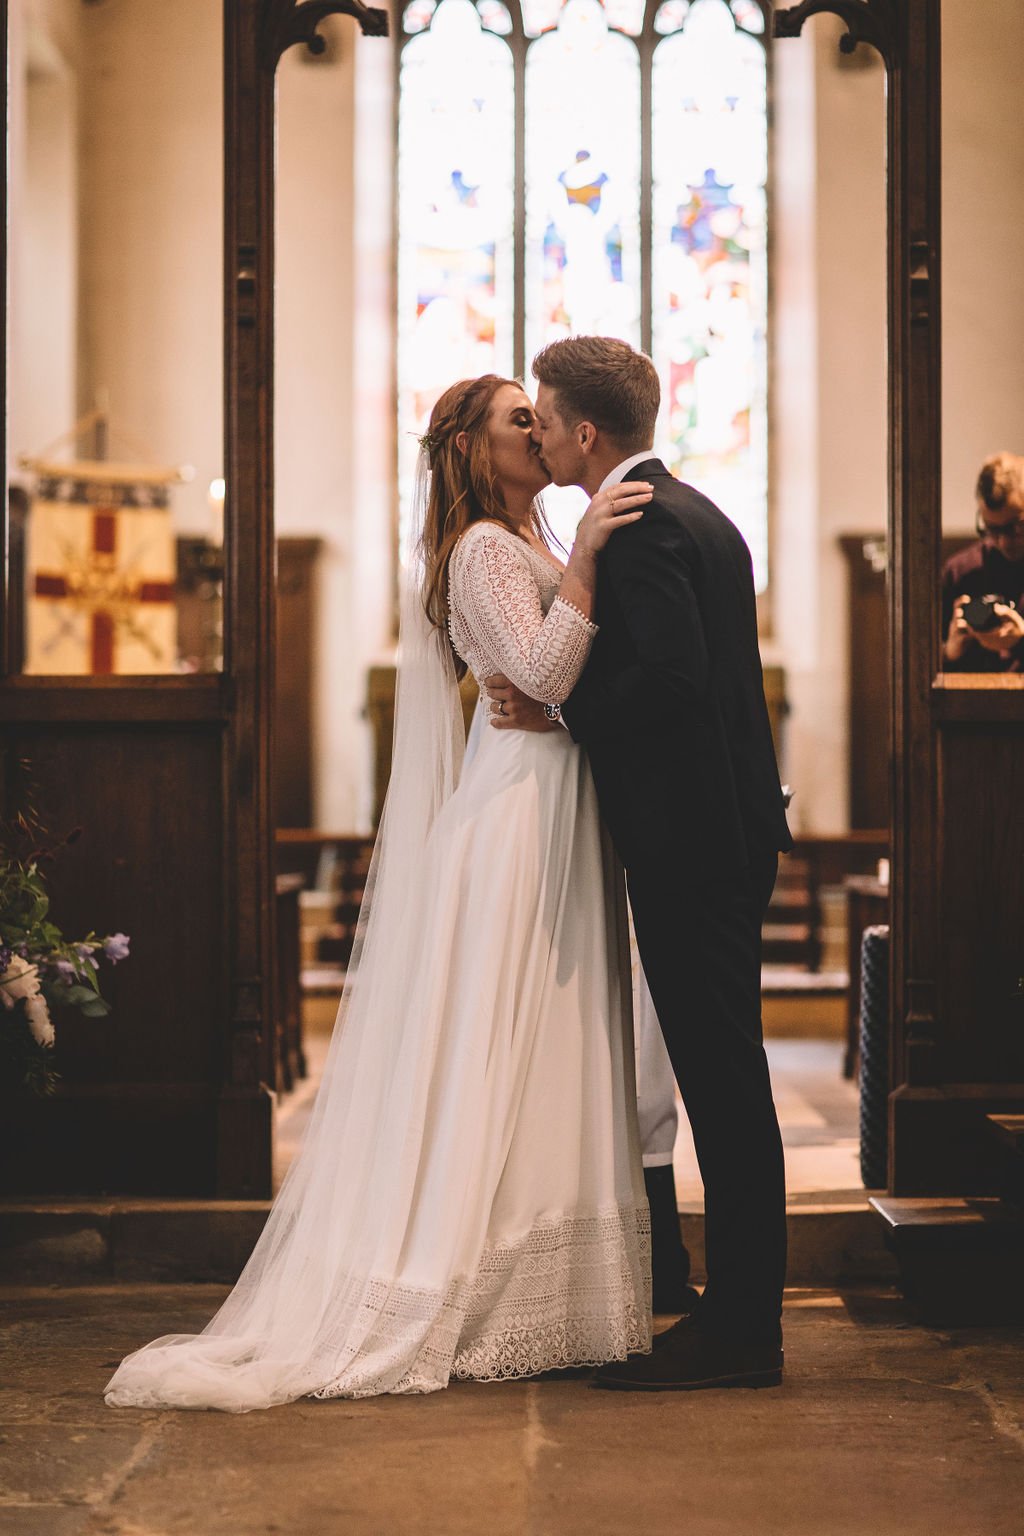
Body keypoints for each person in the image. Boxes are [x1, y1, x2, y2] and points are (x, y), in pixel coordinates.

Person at [104, 375, 655, 1412]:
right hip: (516, 818)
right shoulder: (484, 551)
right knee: (504, 1041)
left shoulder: (518, 538)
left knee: (550, 1040)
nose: (535, 432)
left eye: (536, 418)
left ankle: (554, 1285)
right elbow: (539, 675)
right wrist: (583, 563)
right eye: (514, 421)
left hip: (554, 798)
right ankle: (472, 1280)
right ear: (469, 451)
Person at [491, 335, 792, 1391]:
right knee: (725, 1075)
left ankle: (743, 1330)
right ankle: (740, 1315)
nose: (533, 429)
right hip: (723, 832)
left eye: (541, 415)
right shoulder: (698, 512)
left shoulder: (639, 527)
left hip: (691, 842)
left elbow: (668, 679)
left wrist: (559, 708)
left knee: (721, 1082)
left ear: (584, 432)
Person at [941, 452, 1024, 673]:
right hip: (973, 705)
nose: (1004, 542)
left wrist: (1020, 641)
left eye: (1016, 527)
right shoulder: (960, 571)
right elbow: (920, 662)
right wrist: (950, 651)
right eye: (992, 530)